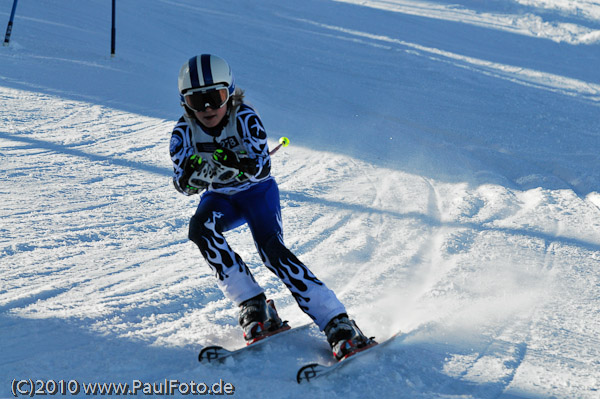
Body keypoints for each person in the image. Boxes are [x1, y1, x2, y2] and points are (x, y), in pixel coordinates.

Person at [169, 54, 373, 360]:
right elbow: (182, 186)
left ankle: (337, 322)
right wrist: (189, 175)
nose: (208, 108)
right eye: (198, 102)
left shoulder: (245, 118)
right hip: (220, 198)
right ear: (185, 103)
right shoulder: (183, 133)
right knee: (200, 229)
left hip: (256, 193)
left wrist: (238, 161)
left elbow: (262, 169)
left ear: (230, 93)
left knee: (272, 252)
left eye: (215, 97)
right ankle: (253, 304)